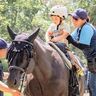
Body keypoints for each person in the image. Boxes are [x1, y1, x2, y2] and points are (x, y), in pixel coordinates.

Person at [62, 8, 96, 96]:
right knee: (91, 87)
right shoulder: (79, 29)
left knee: (93, 87)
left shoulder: (87, 28)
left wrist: (69, 38)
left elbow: (82, 45)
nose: (73, 20)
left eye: (76, 19)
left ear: (84, 20)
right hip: (91, 62)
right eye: (73, 17)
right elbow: (69, 38)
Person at [45, 5, 84, 76]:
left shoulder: (66, 26)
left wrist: (54, 40)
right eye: (52, 18)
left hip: (63, 47)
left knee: (71, 55)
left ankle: (78, 68)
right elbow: (47, 33)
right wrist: (48, 40)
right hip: (52, 46)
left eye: (56, 18)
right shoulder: (52, 26)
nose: (54, 20)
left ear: (62, 18)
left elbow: (64, 35)